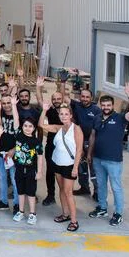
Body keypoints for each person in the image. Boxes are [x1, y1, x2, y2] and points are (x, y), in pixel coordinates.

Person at [88, 83, 129, 226]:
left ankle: (118, 213)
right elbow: (93, 136)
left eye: (108, 105)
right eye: (103, 105)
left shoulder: (120, 118)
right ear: (100, 105)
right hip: (98, 158)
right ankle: (102, 208)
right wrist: (89, 153)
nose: (105, 108)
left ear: (113, 106)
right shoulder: (97, 118)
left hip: (114, 161)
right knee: (101, 185)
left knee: (116, 187)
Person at [40, 99, 83, 232]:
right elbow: (41, 124)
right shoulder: (58, 128)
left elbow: (79, 150)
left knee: (68, 192)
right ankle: (65, 214)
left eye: (66, 114)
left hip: (69, 165)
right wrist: (44, 110)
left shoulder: (76, 129)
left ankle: (74, 220)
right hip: (57, 163)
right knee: (62, 190)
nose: (63, 116)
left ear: (71, 115)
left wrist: (75, 167)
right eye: (61, 114)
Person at [68, 84, 101, 197]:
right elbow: (64, 98)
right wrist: (62, 83)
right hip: (78, 141)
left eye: (87, 97)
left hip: (92, 143)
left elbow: (95, 131)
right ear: (80, 97)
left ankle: (97, 191)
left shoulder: (96, 110)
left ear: (91, 98)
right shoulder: (77, 106)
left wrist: (90, 150)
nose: (85, 99)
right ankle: (84, 188)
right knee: (81, 167)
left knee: (94, 169)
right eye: (83, 96)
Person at [10, 117, 43, 224]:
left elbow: (40, 157)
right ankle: (21, 211)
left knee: (31, 193)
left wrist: (39, 172)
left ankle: (32, 214)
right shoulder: (18, 135)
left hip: (31, 171)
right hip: (19, 169)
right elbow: (16, 122)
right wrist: (14, 105)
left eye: (30, 126)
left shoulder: (36, 142)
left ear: (34, 128)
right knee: (20, 191)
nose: (27, 128)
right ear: (22, 127)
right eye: (25, 126)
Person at [37, 80, 64, 206]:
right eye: (55, 99)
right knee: (50, 171)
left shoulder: (67, 112)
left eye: (59, 98)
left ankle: (64, 195)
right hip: (51, 146)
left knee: (65, 172)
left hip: (65, 147)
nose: (57, 100)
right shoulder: (51, 111)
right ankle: (51, 195)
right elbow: (40, 101)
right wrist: (38, 87)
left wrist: (62, 84)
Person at [0, 94, 20, 212]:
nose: (6, 105)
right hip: (0, 152)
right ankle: (3, 202)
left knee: (14, 179)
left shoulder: (18, 115)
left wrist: (14, 150)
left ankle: (17, 204)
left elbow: (17, 126)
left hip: (13, 154)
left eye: (9, 103)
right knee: (2, 178)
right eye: (4, 103)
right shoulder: (0, 114)